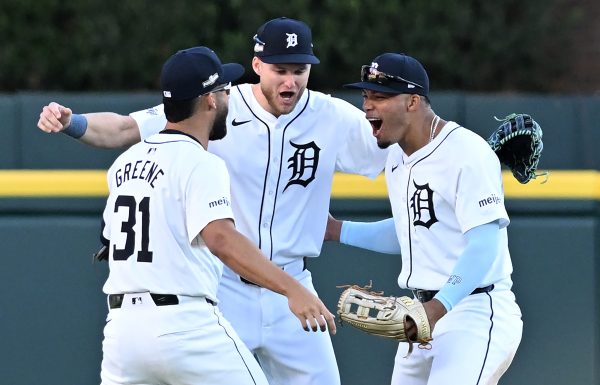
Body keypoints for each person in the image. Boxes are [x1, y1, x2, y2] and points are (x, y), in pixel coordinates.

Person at [37, 17, 388, 385]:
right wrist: (72, 122)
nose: (290, 81)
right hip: (224, 288)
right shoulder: (218, 103)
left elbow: (393, 151)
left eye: (299, 70)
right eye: (279, 70)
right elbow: (126, 127)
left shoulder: (330, 116)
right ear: (256, 67)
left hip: (292, 280)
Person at [98, 46, 336, 385]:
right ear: (210, 100)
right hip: (185, 326)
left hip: (122, 333)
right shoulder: (201, 162)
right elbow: (221, 239)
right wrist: (292, 290)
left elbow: (109, 240)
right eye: (224, 90)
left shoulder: (124, 163)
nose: (230, 97)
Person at [325, 52, 523, 385]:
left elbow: (485, 243)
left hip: (473, 311)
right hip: (420, 313)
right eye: (366, 96)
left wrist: (437, 308)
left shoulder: (467, 153)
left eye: (380, 96)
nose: (368, 106)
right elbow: (411, 232)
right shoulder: (396, 157)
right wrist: (338, 231)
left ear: (413, 101)